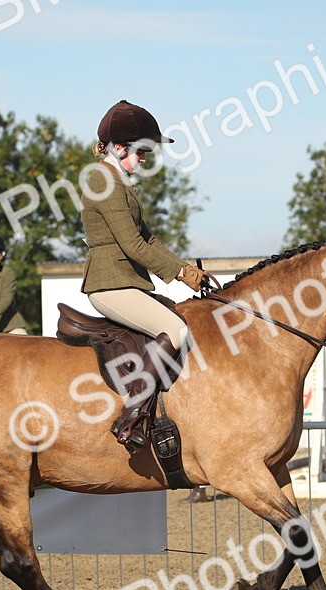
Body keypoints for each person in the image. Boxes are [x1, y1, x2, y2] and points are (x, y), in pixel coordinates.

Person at [80, 99, 206, 449]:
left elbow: (149, 238)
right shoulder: (101, 182)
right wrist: (179, 273)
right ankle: (130, 419)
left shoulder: (119, 181)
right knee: (175, 329)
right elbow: (133, 245)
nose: (146, 158)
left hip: (125, 281)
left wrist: (188, 268)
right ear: (119, 148)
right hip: (110, 285)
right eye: (142, 151)